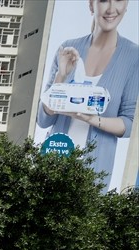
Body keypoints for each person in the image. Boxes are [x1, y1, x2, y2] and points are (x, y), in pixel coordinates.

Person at [37, 0, 137, 188]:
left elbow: (131, 125)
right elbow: (43, 119)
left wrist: (91, 119)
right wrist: (61, 76)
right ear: (91, 5)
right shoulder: (68, 48)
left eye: (118, 0)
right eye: (103, 0)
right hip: (54, 160)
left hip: (94, 174)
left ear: (126, 5)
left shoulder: (134, 56)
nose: (111, 9)